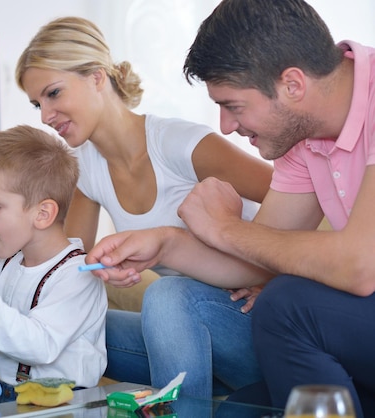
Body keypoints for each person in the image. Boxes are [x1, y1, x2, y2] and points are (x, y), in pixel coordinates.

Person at [86, 0, 375, 416]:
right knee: (241, 408)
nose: (225, 125)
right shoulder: (304, 136)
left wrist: (223, 227)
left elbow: (360, 267)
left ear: (292, 85)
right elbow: (261, 257)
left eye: (233, 106)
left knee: (286, 302)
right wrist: (165, 245)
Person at [15, 16, 273, 398]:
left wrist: (276, 280)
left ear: (97, 77)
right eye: (37, 103)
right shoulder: (84, 166)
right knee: (70, 332)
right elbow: (69, 264)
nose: (45, 115)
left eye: (53, 93)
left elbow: (305, 200)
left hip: (258, 330)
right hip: (189, 343)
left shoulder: (180, 144)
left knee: (166, 296)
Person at [0, 125, 108, 404]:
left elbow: (40, 345)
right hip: (4, 395)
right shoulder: (3, 265)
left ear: (42, 214)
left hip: (63, 405)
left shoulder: (78, 275)